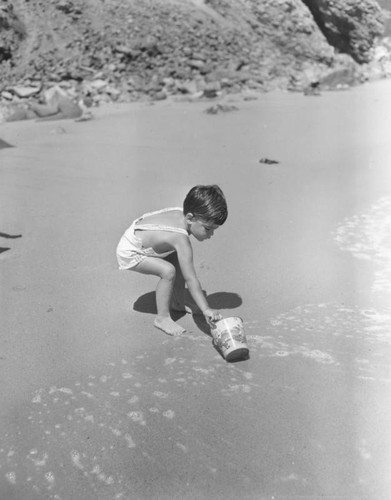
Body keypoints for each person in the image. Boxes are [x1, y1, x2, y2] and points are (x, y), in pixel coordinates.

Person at [116, 185, 228, 335]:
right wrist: (206, 309)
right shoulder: (180, 238)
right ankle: (162, 318)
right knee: (168, 271)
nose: (211, 234)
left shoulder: (185, 215)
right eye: (208, 229)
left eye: (214, 229)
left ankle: (177, 303)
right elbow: (191, 279)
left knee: (180, 262)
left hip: (142, 233)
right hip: (131, 249)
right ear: (190, 218)